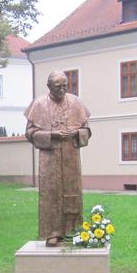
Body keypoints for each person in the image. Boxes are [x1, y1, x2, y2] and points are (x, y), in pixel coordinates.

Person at [24, 71, 92, 246]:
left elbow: (87, 130)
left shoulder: (76, 102)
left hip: (71, 156)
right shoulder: (38, 104)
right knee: (51, 194)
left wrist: (77, 132)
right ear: (49, 87)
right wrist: (52, 135)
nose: (62, 90)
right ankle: (52, 233)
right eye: (58, 87)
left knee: (73, 193)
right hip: (49, 157)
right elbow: (30, 133)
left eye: (65, 86)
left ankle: (73, 231)